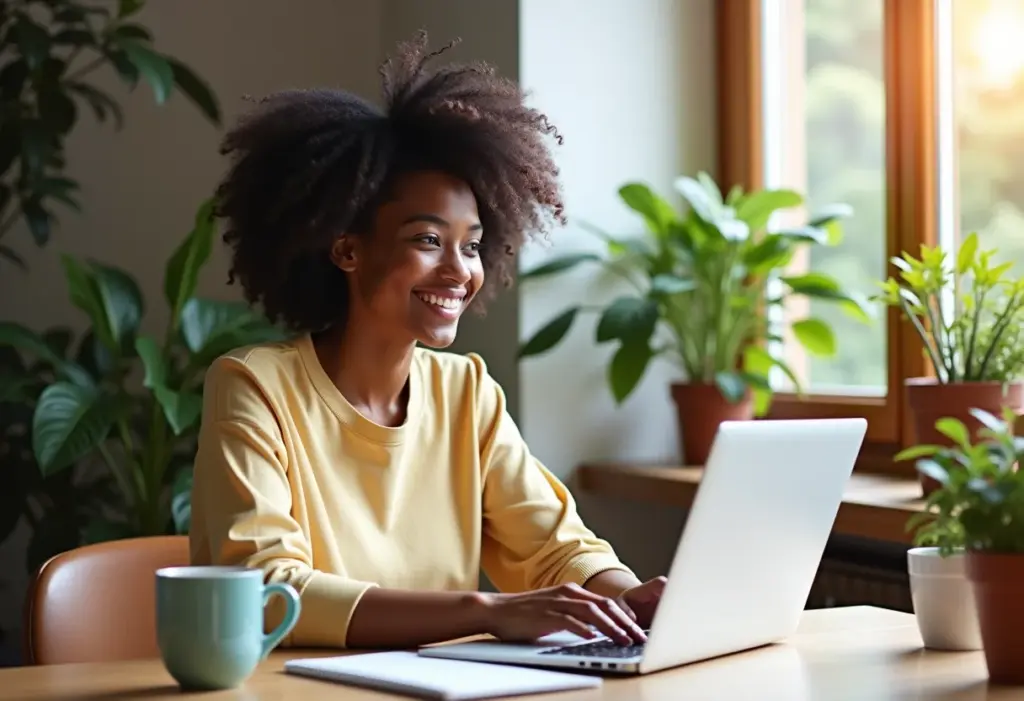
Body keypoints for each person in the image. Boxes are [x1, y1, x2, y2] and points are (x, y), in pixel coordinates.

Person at [188, 31, 666, 651]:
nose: (459, 271)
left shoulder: (466, 392)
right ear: (347, 249)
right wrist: (486, 611)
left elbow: (555, 549)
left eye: (472, 246)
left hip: (442, 687)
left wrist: (630, 598)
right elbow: (269, 589)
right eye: (428, 240)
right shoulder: (255, 387)